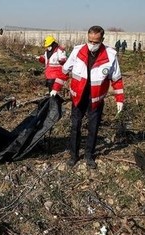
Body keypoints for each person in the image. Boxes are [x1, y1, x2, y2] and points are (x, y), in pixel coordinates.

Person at [49, 25, 124, 169]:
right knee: (75, 126)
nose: (92, 45)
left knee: (93, 128)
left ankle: (89, 156)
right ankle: (74, 155)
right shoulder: (78, 51)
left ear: (102, 39)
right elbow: (64, 71)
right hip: (78, 97)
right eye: (90, 41)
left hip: (96, 99)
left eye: (96, 42)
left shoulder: (110, 55)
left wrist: (119, 99)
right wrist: (55, 88)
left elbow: (116, 79)